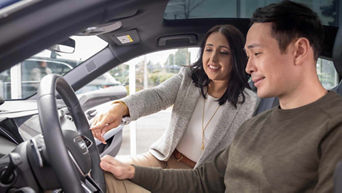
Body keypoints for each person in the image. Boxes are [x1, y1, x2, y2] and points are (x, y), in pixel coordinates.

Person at [99, 1, 342, 193]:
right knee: (103, 176)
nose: (249, 67)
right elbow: (203, 181)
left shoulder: (334, 126)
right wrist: (130, 170)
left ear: (299, 51)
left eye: (257, 53)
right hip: (168, 164)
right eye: (247, 56)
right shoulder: (257, 125)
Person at [91, 24, 257, 170]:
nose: (213, 58)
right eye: (208, 49)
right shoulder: (189, 78)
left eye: (223, 52)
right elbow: (157, 96)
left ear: (236, 58)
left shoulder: (248, 102)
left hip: (196, 177)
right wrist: (120, 107)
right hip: (161, 158)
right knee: (102, 170)